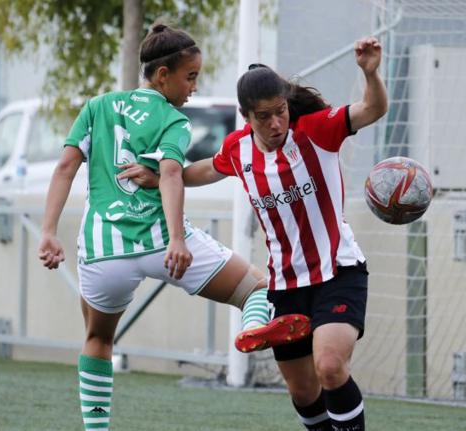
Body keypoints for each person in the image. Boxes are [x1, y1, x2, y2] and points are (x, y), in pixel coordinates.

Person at [37, 23, 310, 431]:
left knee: (98, 340)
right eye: (191, 76)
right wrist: (178, 240)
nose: (194, 87)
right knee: (256, 287)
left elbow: (65, 167)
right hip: (164, 244)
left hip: (101, 251)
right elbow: (169, 174)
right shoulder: (173, 119)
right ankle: (253, 326)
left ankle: (96, 429)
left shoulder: (98, 106)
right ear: (163, 75)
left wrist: (48, 231)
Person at [178, 37, 388, 430]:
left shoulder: (316, 130)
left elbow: (374, 108)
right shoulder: (238, 150)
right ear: (245, 117)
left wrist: (370, 72)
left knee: (329, 366)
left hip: (338, 272)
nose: (276, 124)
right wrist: (159, 176)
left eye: (281, 112)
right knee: (304, 392)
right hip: (287, 285)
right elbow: (200, 171)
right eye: (263, 117)